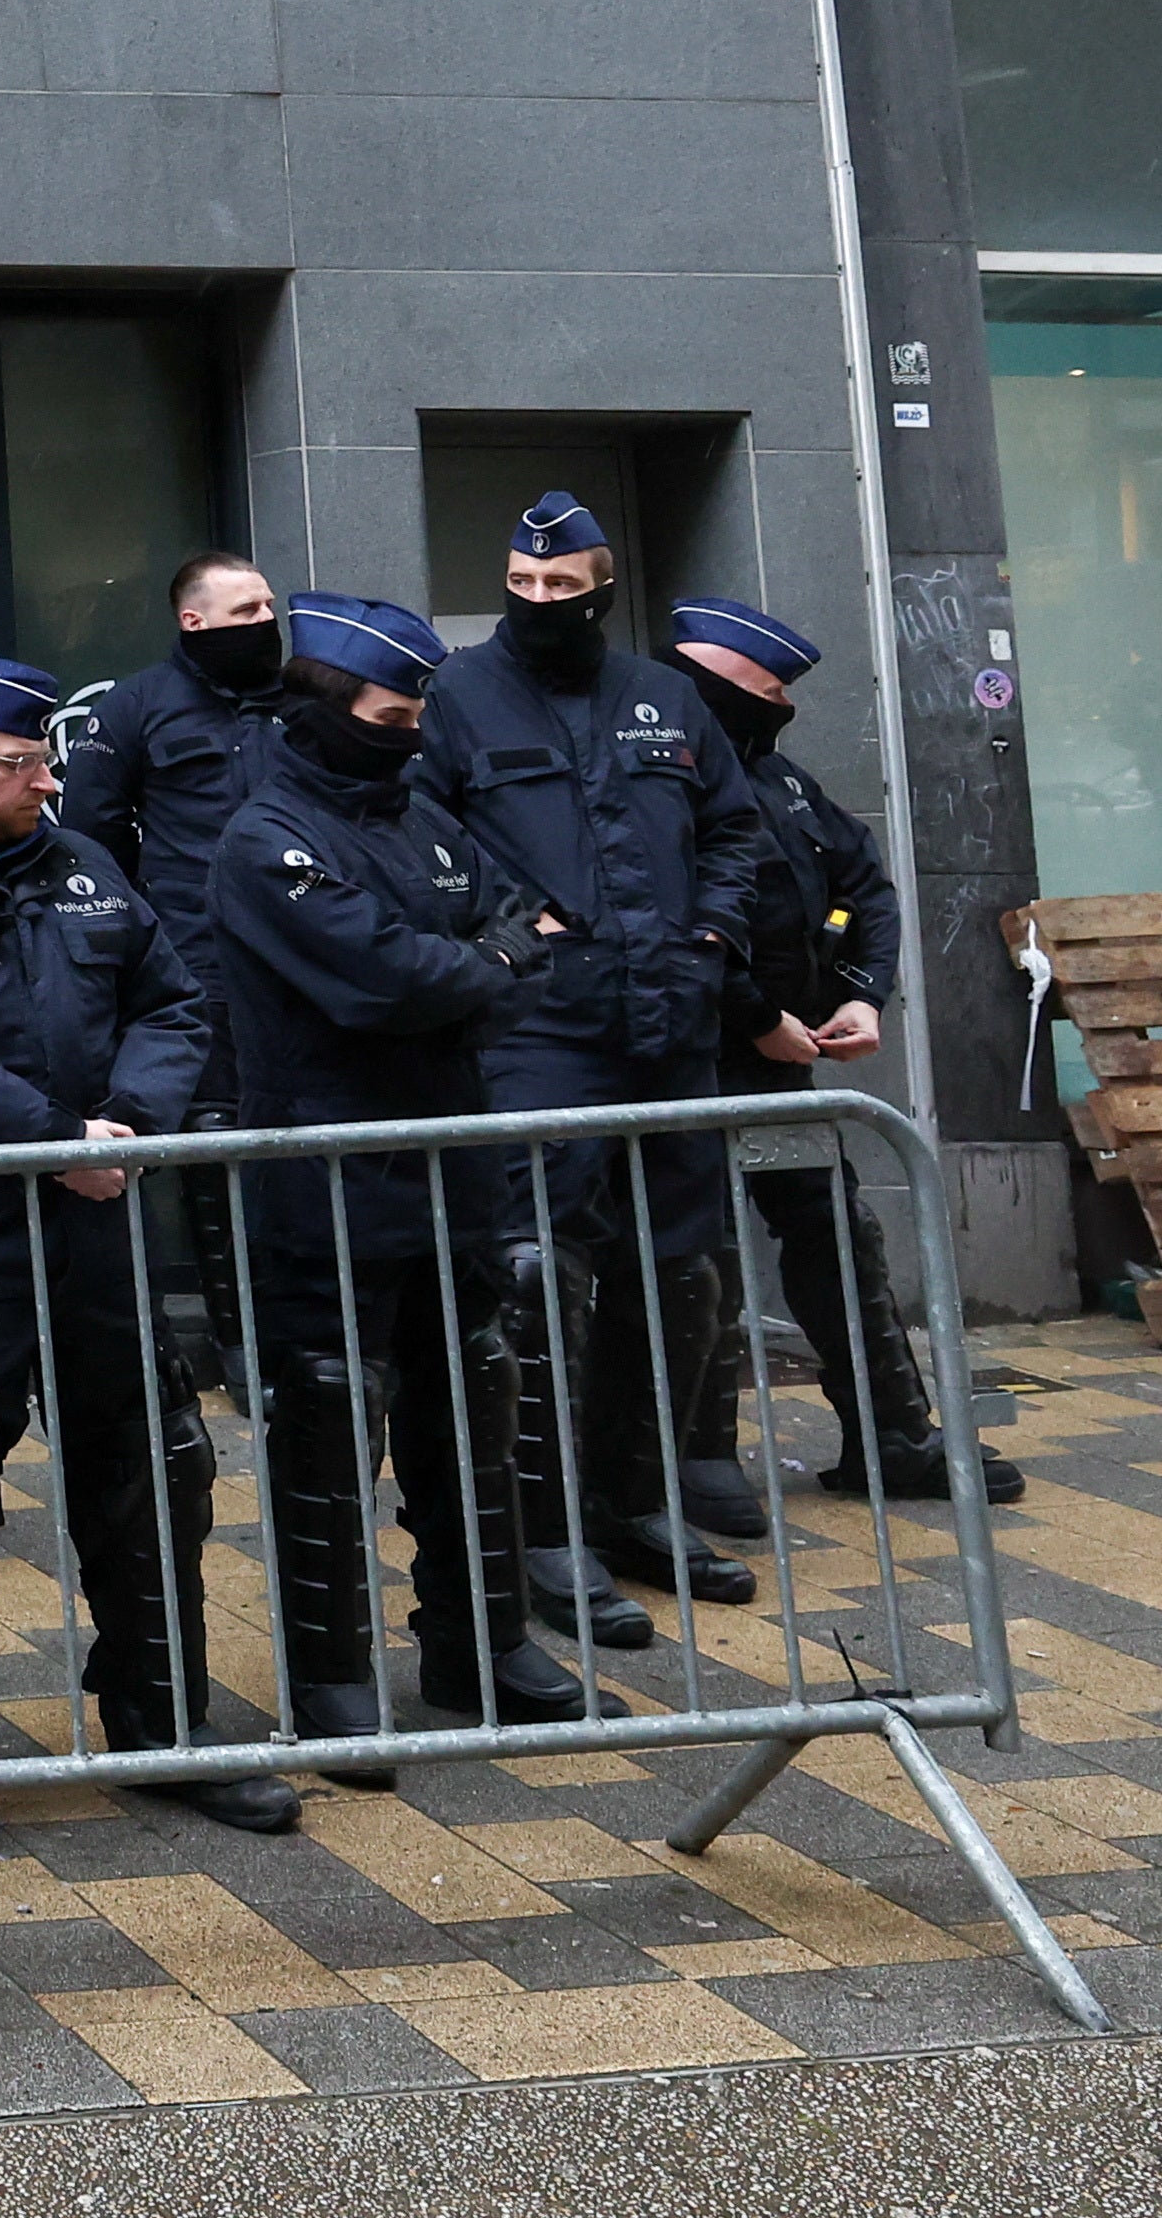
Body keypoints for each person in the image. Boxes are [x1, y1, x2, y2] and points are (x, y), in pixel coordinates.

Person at [0, 651, 298, 1885]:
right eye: (18, 765)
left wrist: (123, 1122)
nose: (42, 783)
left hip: (99, 1209)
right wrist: (50, 1141)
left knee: (148, 1465)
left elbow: (174, 1003)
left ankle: (162, 1720)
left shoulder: (84, 865)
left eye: (45, 763)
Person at [204, 596, 590, 1771]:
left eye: (418, 703)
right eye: (391, 708)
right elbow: (381, 980)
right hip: (324, 1163)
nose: (414, 724)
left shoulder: (419, 813)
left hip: (447, 1155)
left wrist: (480, 962)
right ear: (323, 708)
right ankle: (330, 1678)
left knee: (470, 1397)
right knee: (329, 1422)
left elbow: (531, 926)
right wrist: (480, 962)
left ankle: (481, 1646)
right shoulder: (267, 839)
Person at [417, 495, 771, 1642]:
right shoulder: (458, 697)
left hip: (668, 1019)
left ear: (602, 588)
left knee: (677, 1278)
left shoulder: (664, 700)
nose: (541, 608)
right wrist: (514, 930)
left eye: (563, 591)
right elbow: (424, 838)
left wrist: (715, 937)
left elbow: (734, 830)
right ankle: (541, 1531)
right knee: (536, 1282)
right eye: (523, 589)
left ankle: (634, 1503)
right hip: (538, 1030)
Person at [667, 598, 1024, 1511]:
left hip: (779, 1059)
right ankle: (693, 1457)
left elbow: (864, 883)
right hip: (687, 1061)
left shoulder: (784, 784)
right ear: (713, 683)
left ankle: (893, 1435)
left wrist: (861, 994)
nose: (781, 705)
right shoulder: (653, 782)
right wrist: (756, 1018)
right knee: (693, 1253)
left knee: (833, 1232)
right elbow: (680, 925)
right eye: (767, 690)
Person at [63, 554, 289, 1385]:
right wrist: (144, 932)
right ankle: (244, 1345)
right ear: (194, 621)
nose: (266, 620)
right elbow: (92, 831)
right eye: (247, 609)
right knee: (214, 1148)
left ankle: (312, 1332)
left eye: (269, 604)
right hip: (202, 958)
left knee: (308, 1146)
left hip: (311, 959)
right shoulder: (138, 707)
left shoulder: (300, 697)